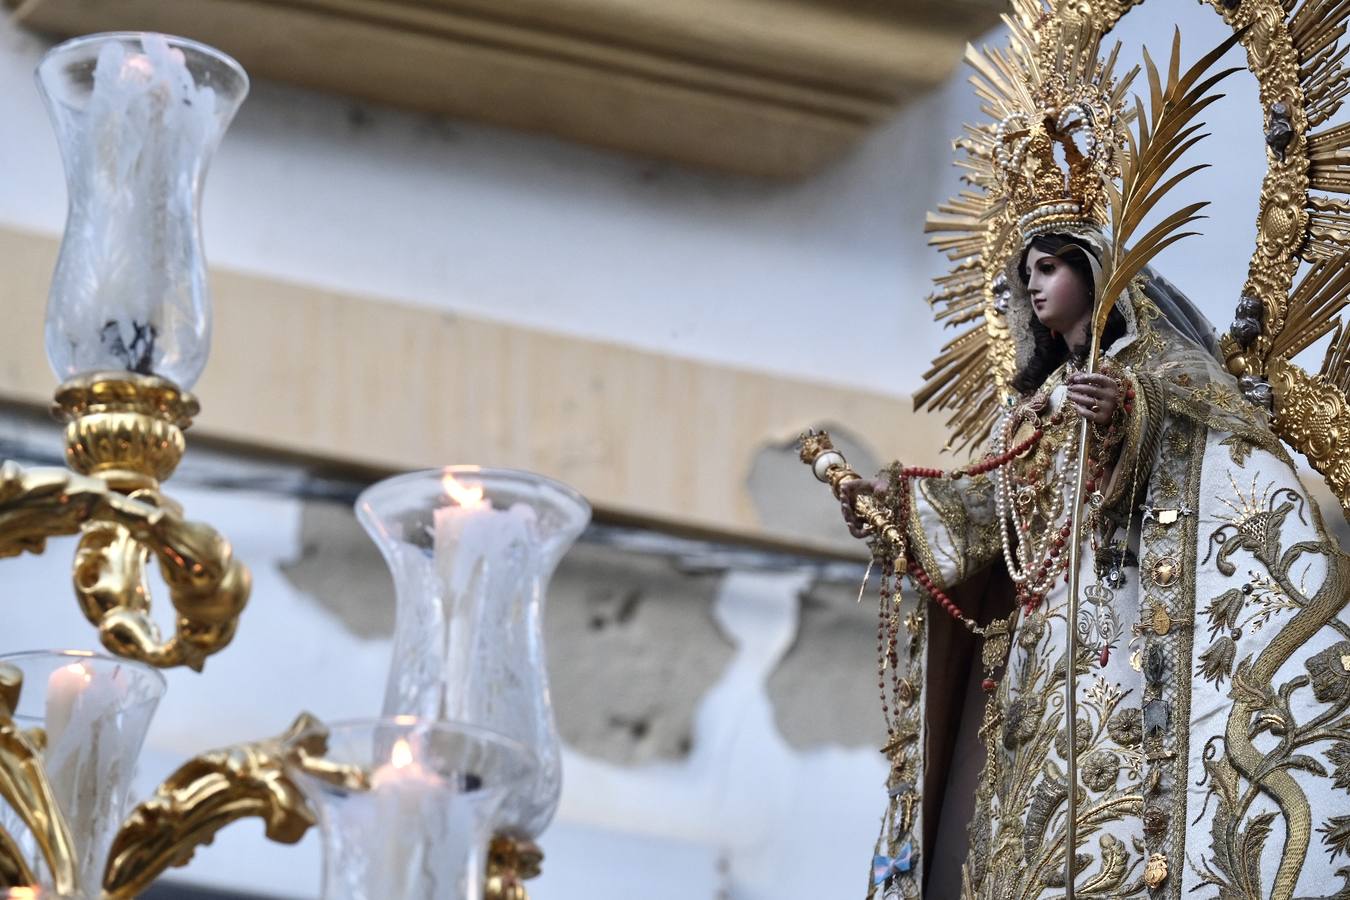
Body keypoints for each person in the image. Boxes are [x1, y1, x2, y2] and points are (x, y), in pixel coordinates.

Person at [822, 18, 1350, 900]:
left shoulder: (1159, 369)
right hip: (1042, 649)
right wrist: (900, 516)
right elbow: (988, 513)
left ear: (1096, 269)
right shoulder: (1033, 405)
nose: (1034, 285)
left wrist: (1132, 419)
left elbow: (1224, 438)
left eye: (1053, 265)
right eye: (1026, 270)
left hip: (1125, 627)